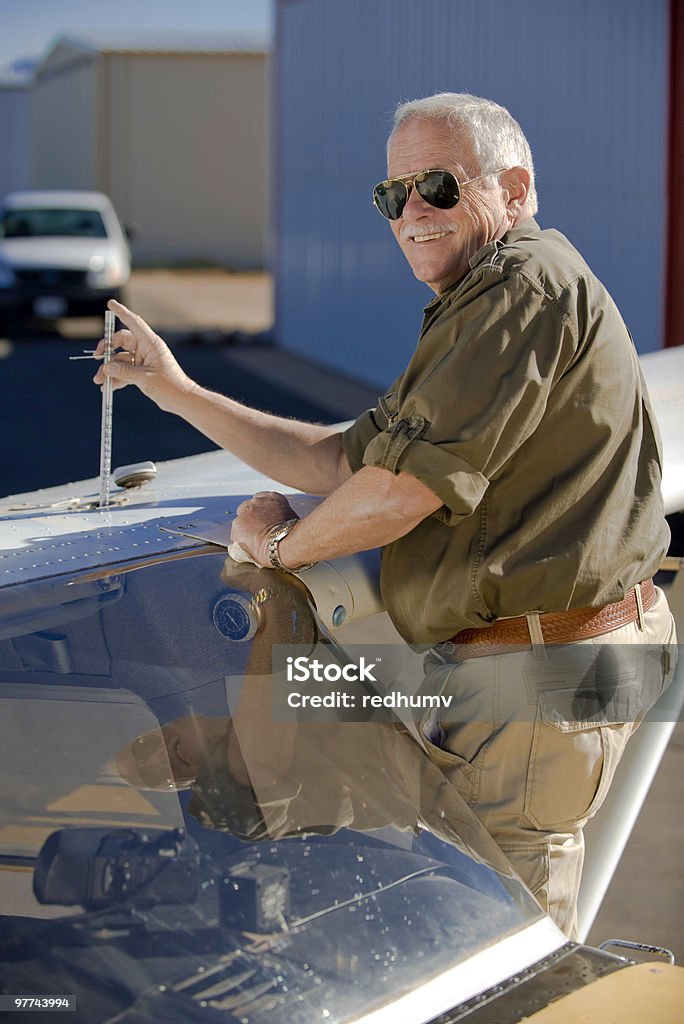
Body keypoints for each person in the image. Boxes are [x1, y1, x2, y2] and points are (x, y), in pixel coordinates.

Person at [94, 92, 676, 936]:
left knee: (499, 941)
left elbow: (400, 494)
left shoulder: (519, 290)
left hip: (541, 680)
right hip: (532, 668)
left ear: (512, 190)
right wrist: (178, 392)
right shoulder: (491, 298)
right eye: (391, 195)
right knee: (326, 787)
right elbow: (344, 462)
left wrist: (282, 548)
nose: (412, 213)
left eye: (438, 186)